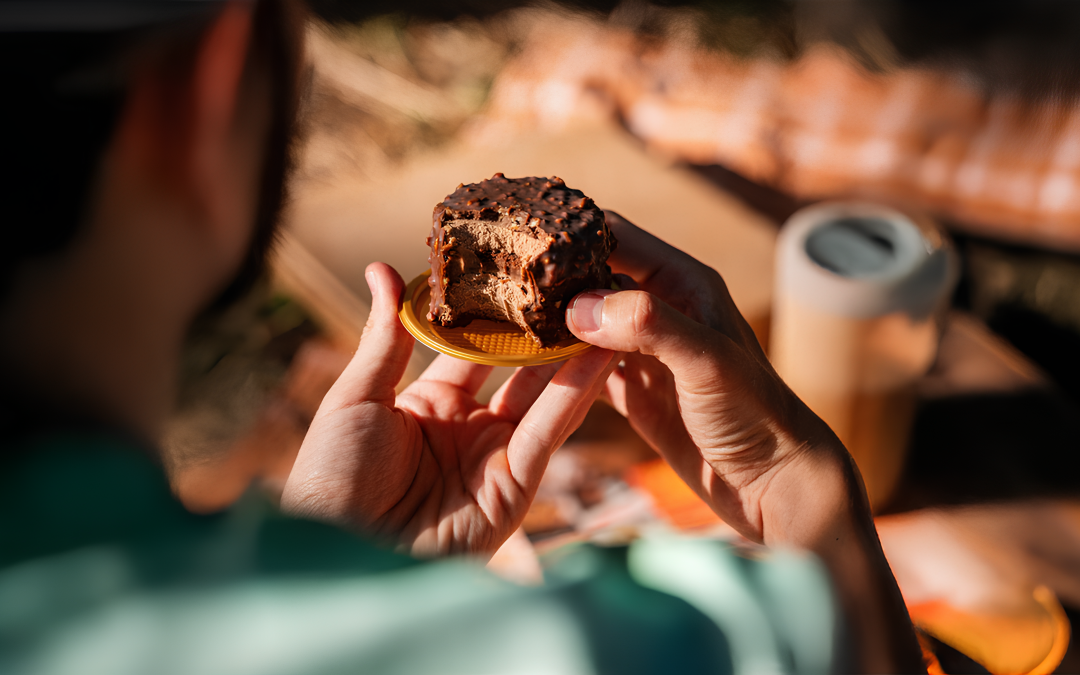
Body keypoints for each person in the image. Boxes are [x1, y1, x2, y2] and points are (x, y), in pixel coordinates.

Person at [0, 1, 925, 672]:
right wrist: (792, 486)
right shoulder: (573, 652)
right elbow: (841, 642)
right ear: (211, 83)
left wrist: (349, 556)